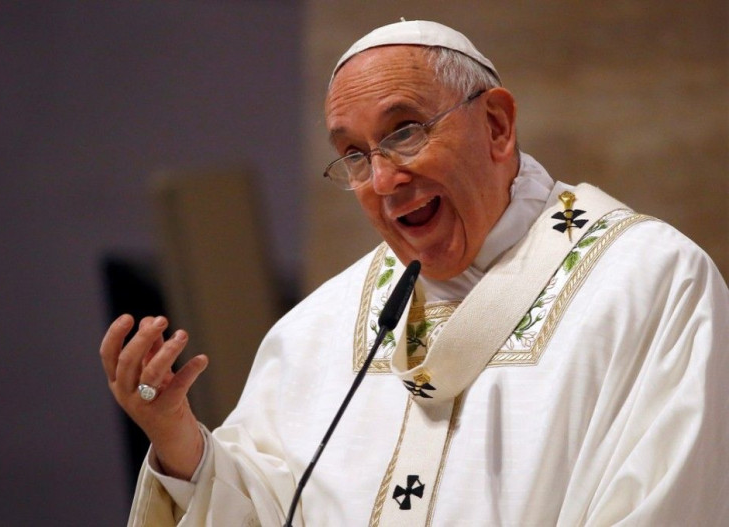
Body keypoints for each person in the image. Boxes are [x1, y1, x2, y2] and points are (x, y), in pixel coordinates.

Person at [100, 20, 729, 526]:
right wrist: (180, 442)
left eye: (405, 132)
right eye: (352, 154)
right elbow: (273, 506)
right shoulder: (321, 328)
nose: (382, 180)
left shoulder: (651, 284)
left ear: (497, 125)